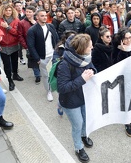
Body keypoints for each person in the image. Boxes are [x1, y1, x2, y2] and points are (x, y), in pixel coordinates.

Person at [57, 34, 95, 162]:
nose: (92, 48)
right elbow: (62, 88)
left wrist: (93, 72)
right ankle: (78, 147)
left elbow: (92, 67)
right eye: (90, 46)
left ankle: (84, 136)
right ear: (82, 48)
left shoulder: (86, 57)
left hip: (84, 96)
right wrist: (82, 79)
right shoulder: (65, 64)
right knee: (77, 124)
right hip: (70, 101)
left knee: (85, 118)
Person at [27, 10, 60, 101]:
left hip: (53, 55)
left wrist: (58, 51)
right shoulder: (32, 30)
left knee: (57, 73)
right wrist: (38, 59)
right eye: (42, 16)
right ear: (37, 17)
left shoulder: (51, 26)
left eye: (45, 15)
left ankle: (58, 88)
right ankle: (48, 91)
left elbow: (57, 39)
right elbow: (31, 46)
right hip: (43, 57)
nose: (44, 17)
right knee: (46, 76)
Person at [0, 4, 24, 91]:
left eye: (10, 10)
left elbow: (17, 33)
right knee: (7, 64)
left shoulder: (16, 20)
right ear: (3, 11)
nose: (8, 12)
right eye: (6, 10)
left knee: (14, 62)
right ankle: (10, 80)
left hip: (14, 44)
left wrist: (8, 27)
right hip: (3, 45)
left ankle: (15, 74)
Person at [18, 6, 41, 83]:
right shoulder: (21, 23)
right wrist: (26, 46)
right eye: (27, 12)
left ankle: (43, 73)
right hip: (29, 45)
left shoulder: (38, 21)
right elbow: (20, 35)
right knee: (33, 60)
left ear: (34, 13)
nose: (28, 13)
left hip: (39, 44)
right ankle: (37, 75)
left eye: (30, 12)